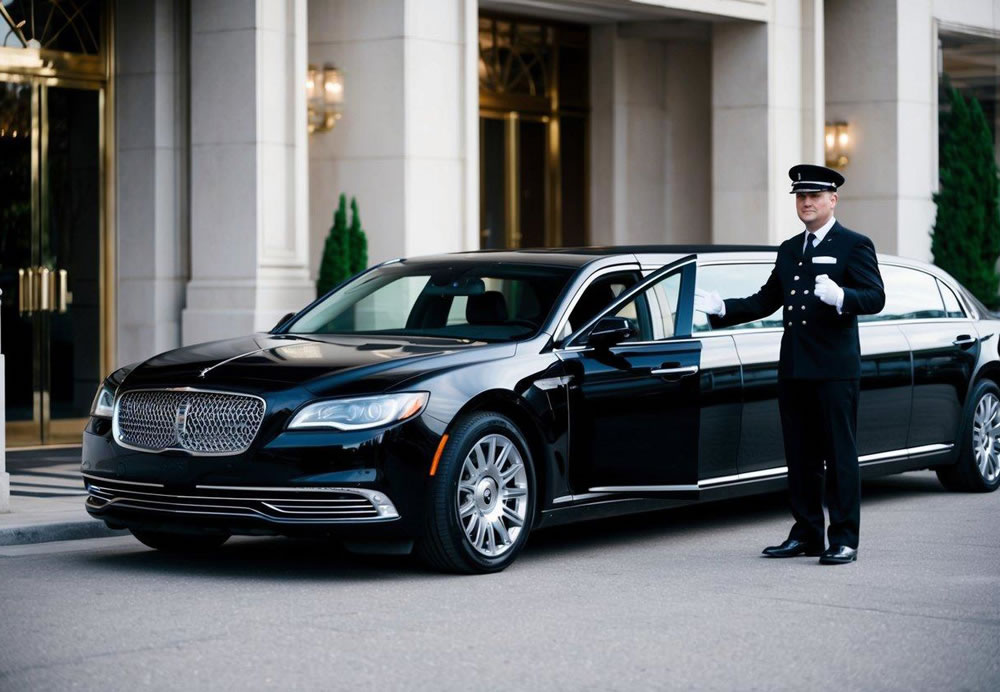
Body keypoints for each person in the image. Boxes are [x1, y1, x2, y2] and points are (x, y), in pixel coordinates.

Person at [695, 164, 885, 565]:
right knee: (800, 457)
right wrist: (723, 308)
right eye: (801, 196)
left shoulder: (854, 244)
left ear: (833, 200)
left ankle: (845, 537)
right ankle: (807, 534)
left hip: (834, 370)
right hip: (795, 369)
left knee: (839, 456)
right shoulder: (788, 249)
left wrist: (843, 297)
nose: (807, 202)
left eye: (815, 196)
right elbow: (766, 299)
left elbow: (875, 297)